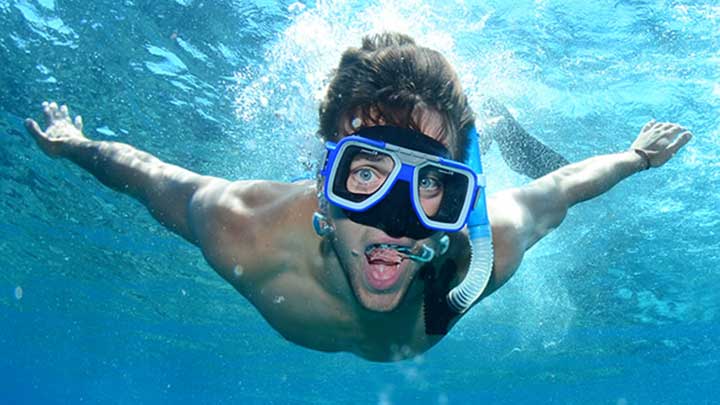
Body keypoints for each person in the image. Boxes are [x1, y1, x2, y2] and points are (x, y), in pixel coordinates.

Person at [24, 32, 692, 362]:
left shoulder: (476, 258)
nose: (399, 221)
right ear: (324, 180)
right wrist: (74, 145)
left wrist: (637, 158)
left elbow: (560, 187)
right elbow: (146, 174)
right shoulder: (243, 231)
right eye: (365, 173)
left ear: (461, 191)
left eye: (433, 183)